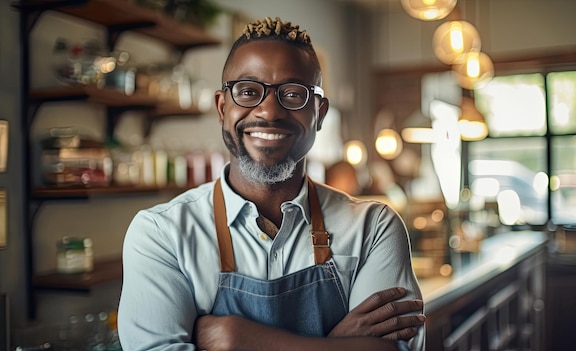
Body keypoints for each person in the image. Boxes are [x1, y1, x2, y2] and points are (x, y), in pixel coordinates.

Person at [118, 16, 425, 351]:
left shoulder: (373, 228)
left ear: (319, 113)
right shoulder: (161, 233)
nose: (269, 111)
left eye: (293, 94)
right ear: (223, 107)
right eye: (248, 91)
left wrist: (236, 337)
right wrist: (336, 343)